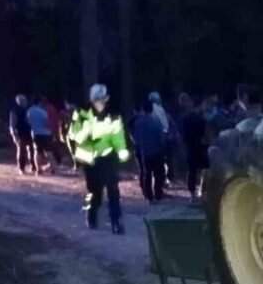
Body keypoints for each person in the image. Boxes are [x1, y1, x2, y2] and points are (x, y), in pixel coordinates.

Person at [68, 83, 131, 234]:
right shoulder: (82, 114)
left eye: (102, 99)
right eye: (97, 99)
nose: (100, 102)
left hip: (108, 157)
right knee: (95, 191)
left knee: (113, 190)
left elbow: (118, 135)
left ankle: (116, 221)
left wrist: (122, 150)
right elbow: (73, 134)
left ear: (106, 99)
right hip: (90, 159)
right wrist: (84, 132)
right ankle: (91, 213)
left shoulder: (113, 116)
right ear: (91, 99)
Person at [132, 99, 167, 202]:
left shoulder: (138, 122)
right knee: (159, 173)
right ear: (152, 109)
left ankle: (149, 195)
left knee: (147, 173)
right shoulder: (156, 121)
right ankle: (158, 193)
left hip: (145, 152)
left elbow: (136, 138)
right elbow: (161, 137)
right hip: (157, 151)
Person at [180, 94, 208, 201]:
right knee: (203, 170)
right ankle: (203, 190)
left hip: (190, 147)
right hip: (201, 146)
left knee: (191, 171)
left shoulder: (185, 118)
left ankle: (192, 194)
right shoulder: (201, 118)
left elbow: (183, 134)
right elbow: (205, 133)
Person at [27, 95, 55, 175]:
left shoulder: (29, 111)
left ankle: (38, 169)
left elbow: (28, 122)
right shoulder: (43, 112)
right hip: (45, 133)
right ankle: (52, 168)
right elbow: (47, 123)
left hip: (35, 133)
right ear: (40, 103)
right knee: (49, 151)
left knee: (37, 151)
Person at [8, 94, 33, 175]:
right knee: (22, 151)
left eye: (24, 100)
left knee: (31, 150)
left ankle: (33, 166)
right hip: (20, 133)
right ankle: (22, 168)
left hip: (29, 132)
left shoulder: (28, 109)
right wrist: (13, 134)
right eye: (22, 100)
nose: (24, 102)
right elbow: (12, 124)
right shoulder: (14, 111)